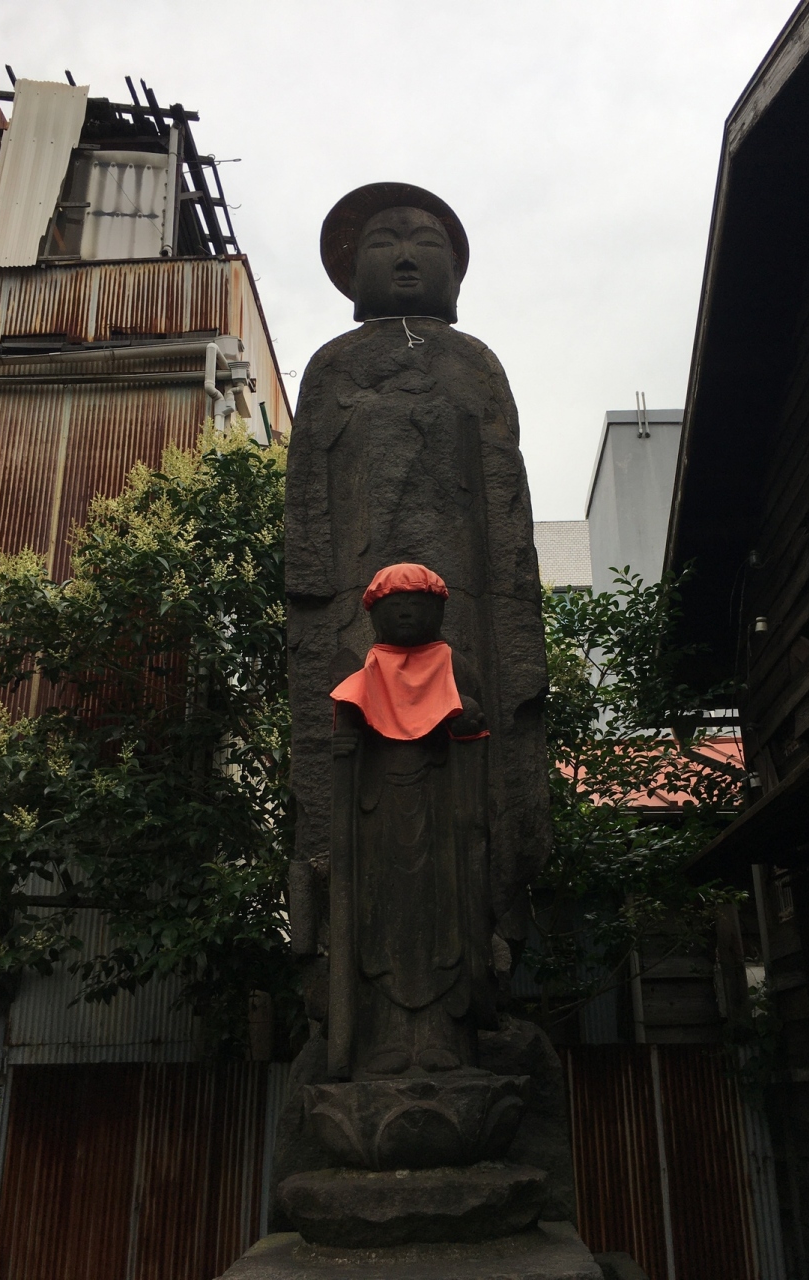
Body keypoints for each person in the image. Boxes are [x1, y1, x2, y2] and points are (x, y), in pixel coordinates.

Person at [286, 183, 549, 1024]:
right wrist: (313, 590)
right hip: (350, 608)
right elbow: (307, 500)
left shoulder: (474, 363)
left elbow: (504, 491)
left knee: (480, 795)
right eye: (383, 241)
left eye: (425, 241)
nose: (404, 254)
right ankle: (353, 996)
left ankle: (480, 971)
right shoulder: (332, 365)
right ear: (351, 268)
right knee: (349, 794)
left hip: (468, 607)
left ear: (456, 273)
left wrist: (509, 611)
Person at [327, 564, 493, 1078]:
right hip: (378, 817)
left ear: (438, 611)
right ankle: (387, 1038)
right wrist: (346, 747)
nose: (405, 613)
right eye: (394, 605)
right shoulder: (367, 671)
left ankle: (443, 1037)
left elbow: (476, 736)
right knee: (380, 921)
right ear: (374, 615)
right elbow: (348, 743)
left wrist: (467, 723)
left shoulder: (454, 665)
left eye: (417, 605)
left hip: (442, 815)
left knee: (445, 922)